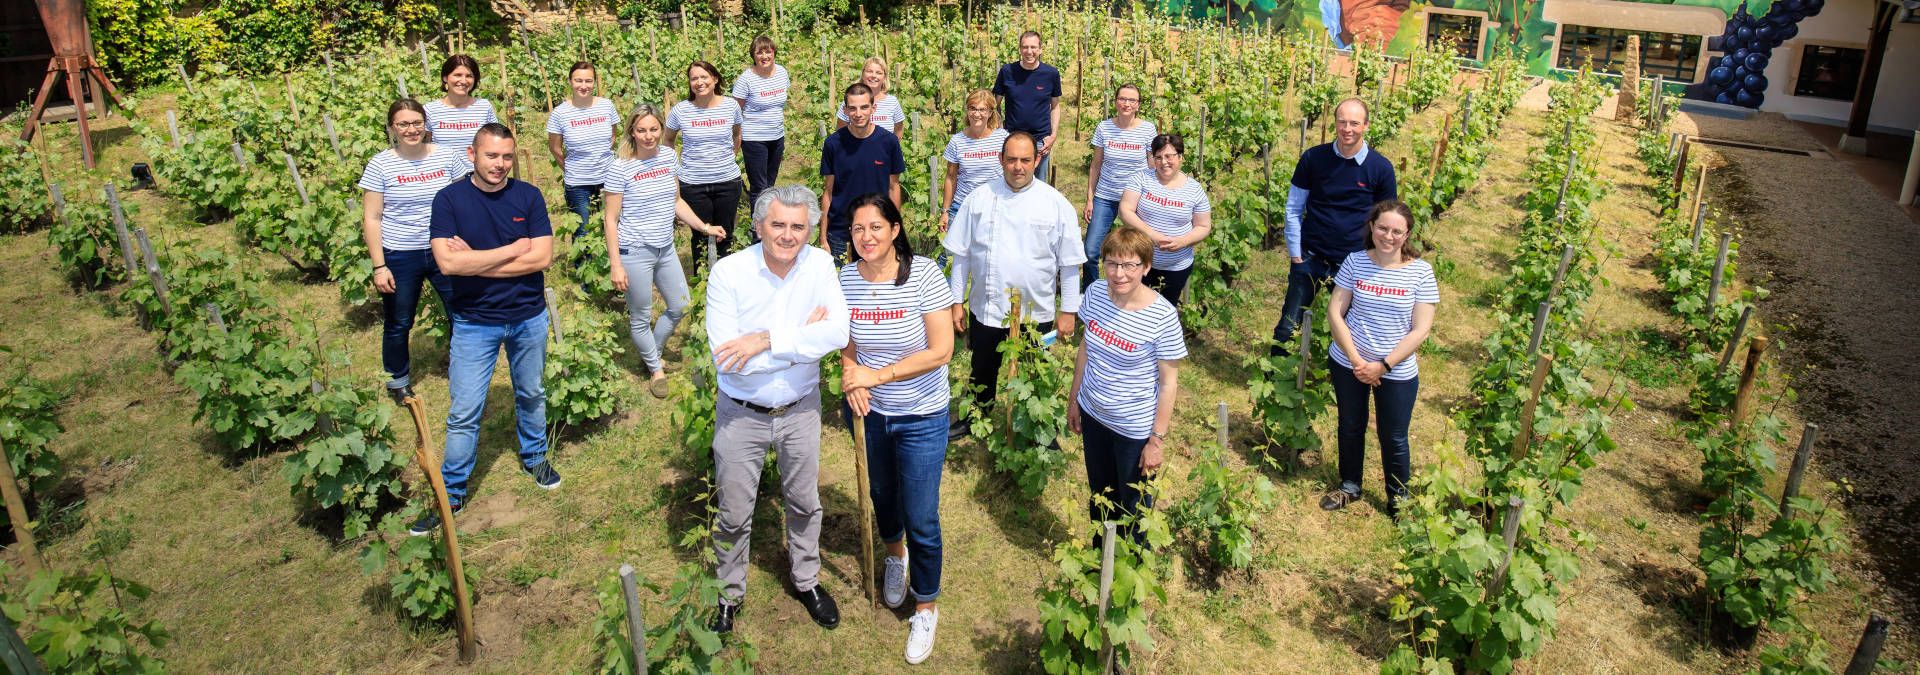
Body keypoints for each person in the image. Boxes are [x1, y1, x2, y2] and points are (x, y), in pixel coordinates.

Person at [705, 184, 849, 635]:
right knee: (733, 509)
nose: (788, 235)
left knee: (805, 502)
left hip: (801, 409)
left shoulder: (822, 265)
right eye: (779, 225)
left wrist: (764, 339)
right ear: (759, 225)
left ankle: (806, 580)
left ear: (810, 229)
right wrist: (801, 341)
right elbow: (728, 359)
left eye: (798, 227)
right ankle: (728, 593)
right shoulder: (728, 274)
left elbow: (838, 334)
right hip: (741, 411)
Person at [411, 123, 562, 535]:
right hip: (474, 321)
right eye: (491, 156)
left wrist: (479, 259)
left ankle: (535, 457)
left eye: (507, 157)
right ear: (472, 154)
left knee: (531, 392)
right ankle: (454, 490)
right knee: (464, 410)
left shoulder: (528, 196)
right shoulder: (449, 200)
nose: (500, 164)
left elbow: (542, 258)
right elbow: (449, 264)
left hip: (528, 316)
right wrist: (514, 249)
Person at [837, 193, 954, 665]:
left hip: (921, 415)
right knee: (883, 497)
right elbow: (845, 345)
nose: (867, 237)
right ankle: (894, 557)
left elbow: (941, 349)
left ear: (895, 228)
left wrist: (877, 376)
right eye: (858, 229)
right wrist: (852, 380)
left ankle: (926, 604)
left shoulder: (924, 274)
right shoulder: (845, 278)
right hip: (870, 414)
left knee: (922, 513)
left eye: (876, 227)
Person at [942, 131, 1084, 438]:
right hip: (987, 306)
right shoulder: (979, 199)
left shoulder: (1055, 204)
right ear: (1000, 160)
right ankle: (977, 417)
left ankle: (1038, 430)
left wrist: (1069, 310)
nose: (1017, 167)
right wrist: (957, 302)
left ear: (1037, 160)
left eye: (1025, 160)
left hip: (1037, 312)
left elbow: (1070, 263)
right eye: (1011, 159)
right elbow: (962, 256)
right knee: (982, 368)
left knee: (1036, 373)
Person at [1066, 226, 1185, 543]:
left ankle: (1130, 571)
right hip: (1093, 416)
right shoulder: (1094, 294)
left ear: (1146, 267)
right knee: (1100, 497)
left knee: (1134, 506)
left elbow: (1168, 382)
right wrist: (1075, 398)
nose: (1119, 274)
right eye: (1112, 264)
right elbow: (1085, 348)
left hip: (1132, 429)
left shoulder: (1162, 316)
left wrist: (1156, 440)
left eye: (1129, 265)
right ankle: (1099, 561)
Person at [1320, 200, 1436, 519]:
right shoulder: (1355, 262)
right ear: (1372, 227)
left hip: (1396, 370)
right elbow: (1335, 311)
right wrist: (1358, 361)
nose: (1389, 235)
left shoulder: (1421, 272)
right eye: (1383, 227)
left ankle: (1398, 499)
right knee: (1350, 425)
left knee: (1394, 435)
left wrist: (1383, 365)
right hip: (1348, 363)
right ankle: (1350, 486)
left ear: (1407, 234)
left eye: (1397, 231)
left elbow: (1421, 329)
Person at [603, 104, 728, 399]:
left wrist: (703, 226)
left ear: (661, 129)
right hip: (634, 250)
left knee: (680, 305)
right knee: (640, 314)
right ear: (632, 132)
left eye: (654, 129)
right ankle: (655, 369)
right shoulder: (620, 167)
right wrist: (615, 264)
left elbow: (676, 201)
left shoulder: (669, 157)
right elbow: (610, 219)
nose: (648, 136)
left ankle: (652, 350)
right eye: (642, 130)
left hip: (665, 247)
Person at [359, 99, 471, 404]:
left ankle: (462, 369)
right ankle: (398, 380)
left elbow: (465, 201)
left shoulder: (448, 157)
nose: (411, 130)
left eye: (417, 123)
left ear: (426, 124)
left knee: (460, 312)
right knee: (399, 320)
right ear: (392, 128)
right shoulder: (381, 164)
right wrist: (379, 266)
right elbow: (372, 218)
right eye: (403, 124)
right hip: (400, 253)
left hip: (444, 248)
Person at [1271, 97, 1398, 356]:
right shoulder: (1314, 159)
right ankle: (1274, 378)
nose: (1347, 129)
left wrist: (1379, 262)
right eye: (1342, 122)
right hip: (1310, 257)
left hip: (1354, 263)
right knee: (1289, 324)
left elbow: (1387, 221)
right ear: (1335, 123)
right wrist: (1296, 255)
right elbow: (1294, 208)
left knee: (1351, 330)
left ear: (1366, 125)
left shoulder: (1380, 168)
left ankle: (1342, 376)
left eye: (1354, 123)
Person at [666, 60, 746, 275]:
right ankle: (701, 281)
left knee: (725, 234)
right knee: (700, 234)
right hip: (693, 184)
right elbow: (668, 141)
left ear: (715, 79)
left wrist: (727, 158)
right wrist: (675, 168)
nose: (699, 82)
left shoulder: (731, 106)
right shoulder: (681, 110)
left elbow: (737, 135)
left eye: (704, 77)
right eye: (694, 78)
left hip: (728, 182)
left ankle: (724, 279)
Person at [1116, 133, 1212, 307]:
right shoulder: (1141, 178)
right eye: (1158, 157)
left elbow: (1203, 226)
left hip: (1176, 266)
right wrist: (1152, 235)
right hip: (1139, 262)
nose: (1163, 162)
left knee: (1164, 310)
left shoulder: (1194, 190)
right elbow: (1125, 210)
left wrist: (1182, 241)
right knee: (1134, 306)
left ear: (1181, 157)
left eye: (1169, 156)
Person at [819, 82, 904, 265]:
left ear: (874, 108)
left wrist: (895, 230)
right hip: (840, 232)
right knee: (839, 286)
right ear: (845, 110)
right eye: (853, 108)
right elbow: (828, 191)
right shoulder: (833, 144)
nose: (858, 114)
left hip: (876, 231)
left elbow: (893, 187)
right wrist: (823, 237)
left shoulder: (888, 142)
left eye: (864, 107)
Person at [1082, 84, 1156, 283]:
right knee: (1089, 252)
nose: (1127, 104)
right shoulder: (1104, 127)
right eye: (1122, 99)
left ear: (1138, 105)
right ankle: (1092, 294)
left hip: (1135, 200)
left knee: (1138, 252)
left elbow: (1151, 167)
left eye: (1132, 100)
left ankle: (1134, 292)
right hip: (1105, 196)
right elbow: (1095, 165)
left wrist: (1151, 199)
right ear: (1115, 101)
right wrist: (1090, 199)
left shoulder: (1148, 129)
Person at [544, 61, 619, 237]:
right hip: (578, 184)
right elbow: (554, 147)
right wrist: (571, 168)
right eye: (579, 81)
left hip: (609, 179)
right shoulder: (560, 113)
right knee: (582, 232)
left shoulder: (606, 106)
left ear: (594, 82)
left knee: (611, 226)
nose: (584, 86)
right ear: (570, 81)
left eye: (588, 81)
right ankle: (584, 265)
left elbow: (613, 136)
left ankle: (612, 264)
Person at [732, 36, 791, 226]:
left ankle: (769, 222)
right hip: (754, 138)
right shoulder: (746, 79)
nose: (764, 56)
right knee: (759, 186)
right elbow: (735, 111)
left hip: (777, 136)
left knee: (770, 183)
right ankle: (757, 228)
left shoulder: (782, 72)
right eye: (760, 52)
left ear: (774, 53)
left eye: (768, 51)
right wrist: (736, 136)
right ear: (753, 55)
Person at [993, 31, 1062, 183]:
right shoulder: (1007, 71)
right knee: (1012, 181)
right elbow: (994, 105)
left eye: (1033, 47)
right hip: (1011, 137)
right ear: (1020, 49)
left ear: (1040, 49)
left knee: (1039, 185)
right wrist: (999, 129)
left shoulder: (1051, 74)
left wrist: (1053, 135)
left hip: (1041, 140)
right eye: (1025, 47)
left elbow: (1055, 107)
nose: (1029, 52)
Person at [938, 90, 1009, 233]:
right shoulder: (957, 141)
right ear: (967, 111)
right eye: (973, 108)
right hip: (963, 206)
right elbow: (951, 177)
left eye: (982, 109)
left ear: (990, 113)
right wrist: (945, 211)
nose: (977, 114)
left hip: (994, 206)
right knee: (952, 253)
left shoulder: (1002, 138)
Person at [423, 54, 498, 155]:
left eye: (469, 76)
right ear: (445, 77)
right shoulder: (430, 110)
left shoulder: (484, 107)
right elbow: (425, 145)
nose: (463, 81)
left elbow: (494, 141)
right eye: (457, 75)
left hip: (476, 170)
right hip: (444, 170)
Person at [835, 57, 905, 137]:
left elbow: (899, 130)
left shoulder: (892, 102)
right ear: (862, 74)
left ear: (884, 77)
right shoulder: (851, 100)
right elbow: (841, 131)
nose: (874, 76)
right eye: (869, 71)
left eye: (879, 73)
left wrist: (889, 148)